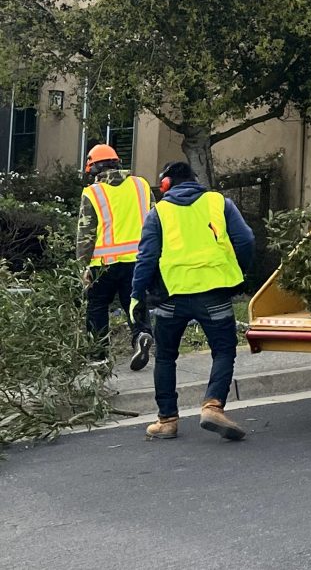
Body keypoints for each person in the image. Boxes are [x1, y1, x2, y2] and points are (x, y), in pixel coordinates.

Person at [131, 161, 255, 441]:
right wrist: (238, 271)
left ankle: (167, 421)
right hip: (214, 293)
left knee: (165, 356)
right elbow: (246, 240)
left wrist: (137, 293)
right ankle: (213, 405)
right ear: (194, 179)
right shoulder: (218, 203)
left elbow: (146, 258)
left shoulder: (158, 212)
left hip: (171, 296)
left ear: (165, 185)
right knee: (223, 351)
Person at [77, 143, 156, 371]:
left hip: (103, 263)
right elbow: (155, 220)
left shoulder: (93, 192)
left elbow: (86, 233)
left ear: (94, 168)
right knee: (134, 301)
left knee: (97, 306)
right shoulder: (140, 185)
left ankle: (99, 357)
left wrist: (82, 266)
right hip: (138, 261)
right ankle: (141, 334)